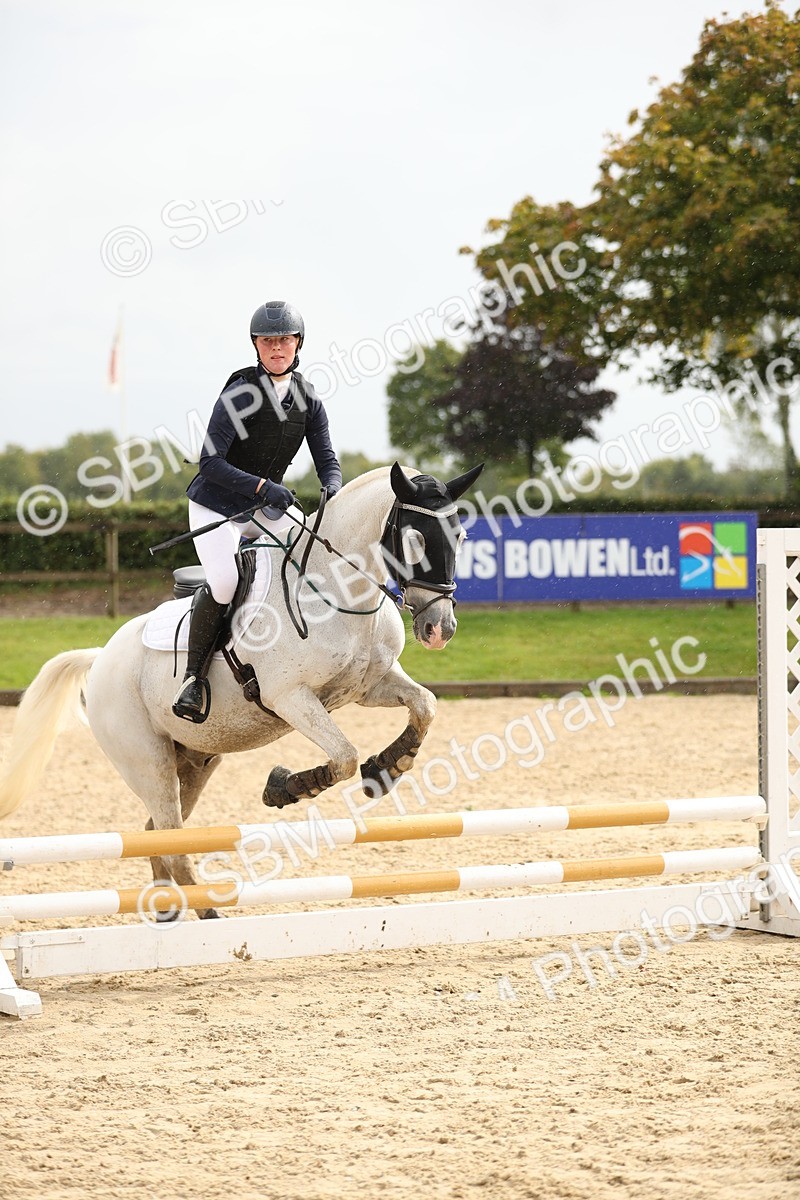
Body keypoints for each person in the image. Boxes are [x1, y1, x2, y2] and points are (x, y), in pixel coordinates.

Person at [172, 300, 343, 723]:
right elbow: (210, 463)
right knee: (226, 582)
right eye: (268, 341)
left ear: (298, 343)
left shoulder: (308, 399)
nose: (277, 347)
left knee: (311, 556)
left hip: (263, 506)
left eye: (284, 339)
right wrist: (264, 487)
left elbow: (327, 460)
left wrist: (333, 489)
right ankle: (193, 679)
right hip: (217, 503)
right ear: (256, 345)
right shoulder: (239, 393)